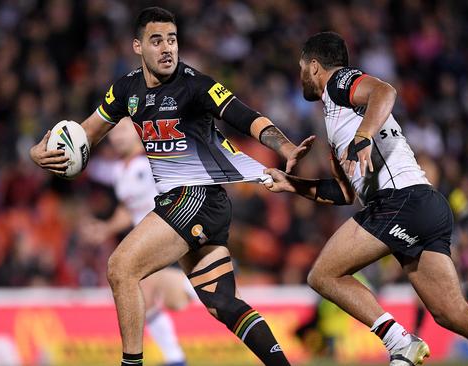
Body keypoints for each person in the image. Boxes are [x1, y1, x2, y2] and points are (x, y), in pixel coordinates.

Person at [30, 7, 314, 366]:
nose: (167, 48)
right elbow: (85, 133)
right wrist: (38, 152)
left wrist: (285, 147)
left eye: (173, 40)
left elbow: (247, 117)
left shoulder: (196, 85)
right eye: (157, 40)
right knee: (222, 303)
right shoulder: (126, 89)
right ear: (137, 46)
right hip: (189, 203)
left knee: (121, 268)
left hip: (195, 196)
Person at [264, 31, 468, 366]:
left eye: (300, 67)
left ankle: (401, 342)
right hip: (425, 203)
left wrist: (364, 136)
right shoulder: (336, 120)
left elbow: (385, 91)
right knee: (451, 311)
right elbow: (343, 193)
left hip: (400, 201)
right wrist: (291, 184)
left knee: (323, 275)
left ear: (314, 67)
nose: (299, 75)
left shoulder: (339, 83)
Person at [83, 118, 193, 366]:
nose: (117, 136)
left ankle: (210, 290)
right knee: (146, 295)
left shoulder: (149, 164)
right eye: (114, 132)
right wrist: (105, 228)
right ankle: (175, 358)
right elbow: (129, 210)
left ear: (138, 134)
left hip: (168, 234)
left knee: (160, 294)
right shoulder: (122, 170)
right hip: (148, 239)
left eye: (124, 131)